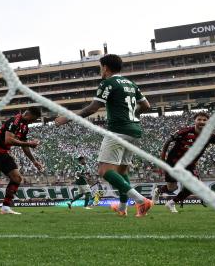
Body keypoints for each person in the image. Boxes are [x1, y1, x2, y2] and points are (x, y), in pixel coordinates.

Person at [55, 54, 153, 218]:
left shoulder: (108, 83)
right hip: (134, 131)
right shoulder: (130, 83)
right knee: (122, 172)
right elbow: (146, 105)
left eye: (101, 67)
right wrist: (131, 116)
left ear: (105, 67)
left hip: (118, 130)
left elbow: (93, 108)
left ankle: (141, 200)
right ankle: (122, 208)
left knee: (104, 170)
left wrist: (67, 118)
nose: (101, 70)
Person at [152, 111, 215, 212]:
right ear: (195, 121)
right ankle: (158, 190)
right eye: (199, 119)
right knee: (172, 188)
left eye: (204, 120)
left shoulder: (211, 136)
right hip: (173, 163)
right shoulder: (184, 132)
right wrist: (162, 160)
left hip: (189, 165)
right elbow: (168, 142)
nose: (202, 121)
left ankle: (171, 203)